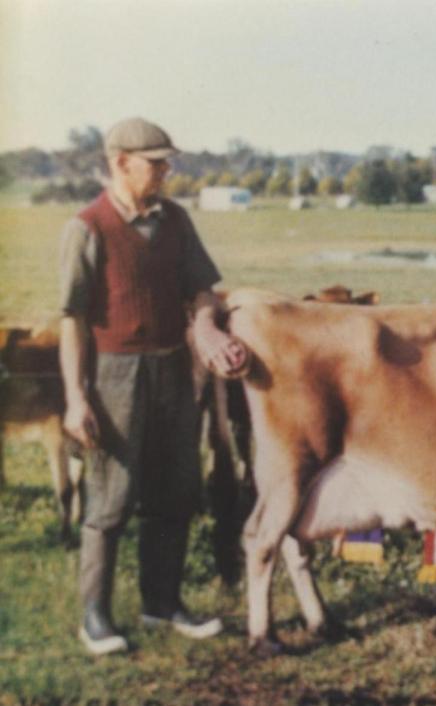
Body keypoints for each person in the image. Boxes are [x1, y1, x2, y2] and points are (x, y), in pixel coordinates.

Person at [59, 117, 247, 655]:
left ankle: (161, 603)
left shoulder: (177, 222)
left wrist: (207, 325)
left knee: (175, 492)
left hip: (172, 371)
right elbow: (71, 319)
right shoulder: (87, 228)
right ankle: (95, 616)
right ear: (120, 162)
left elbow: (204, 291)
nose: (166, 171)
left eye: (167, 161)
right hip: (113, 375)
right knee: (111, 499)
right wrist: (77, 399)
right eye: (156, 162)